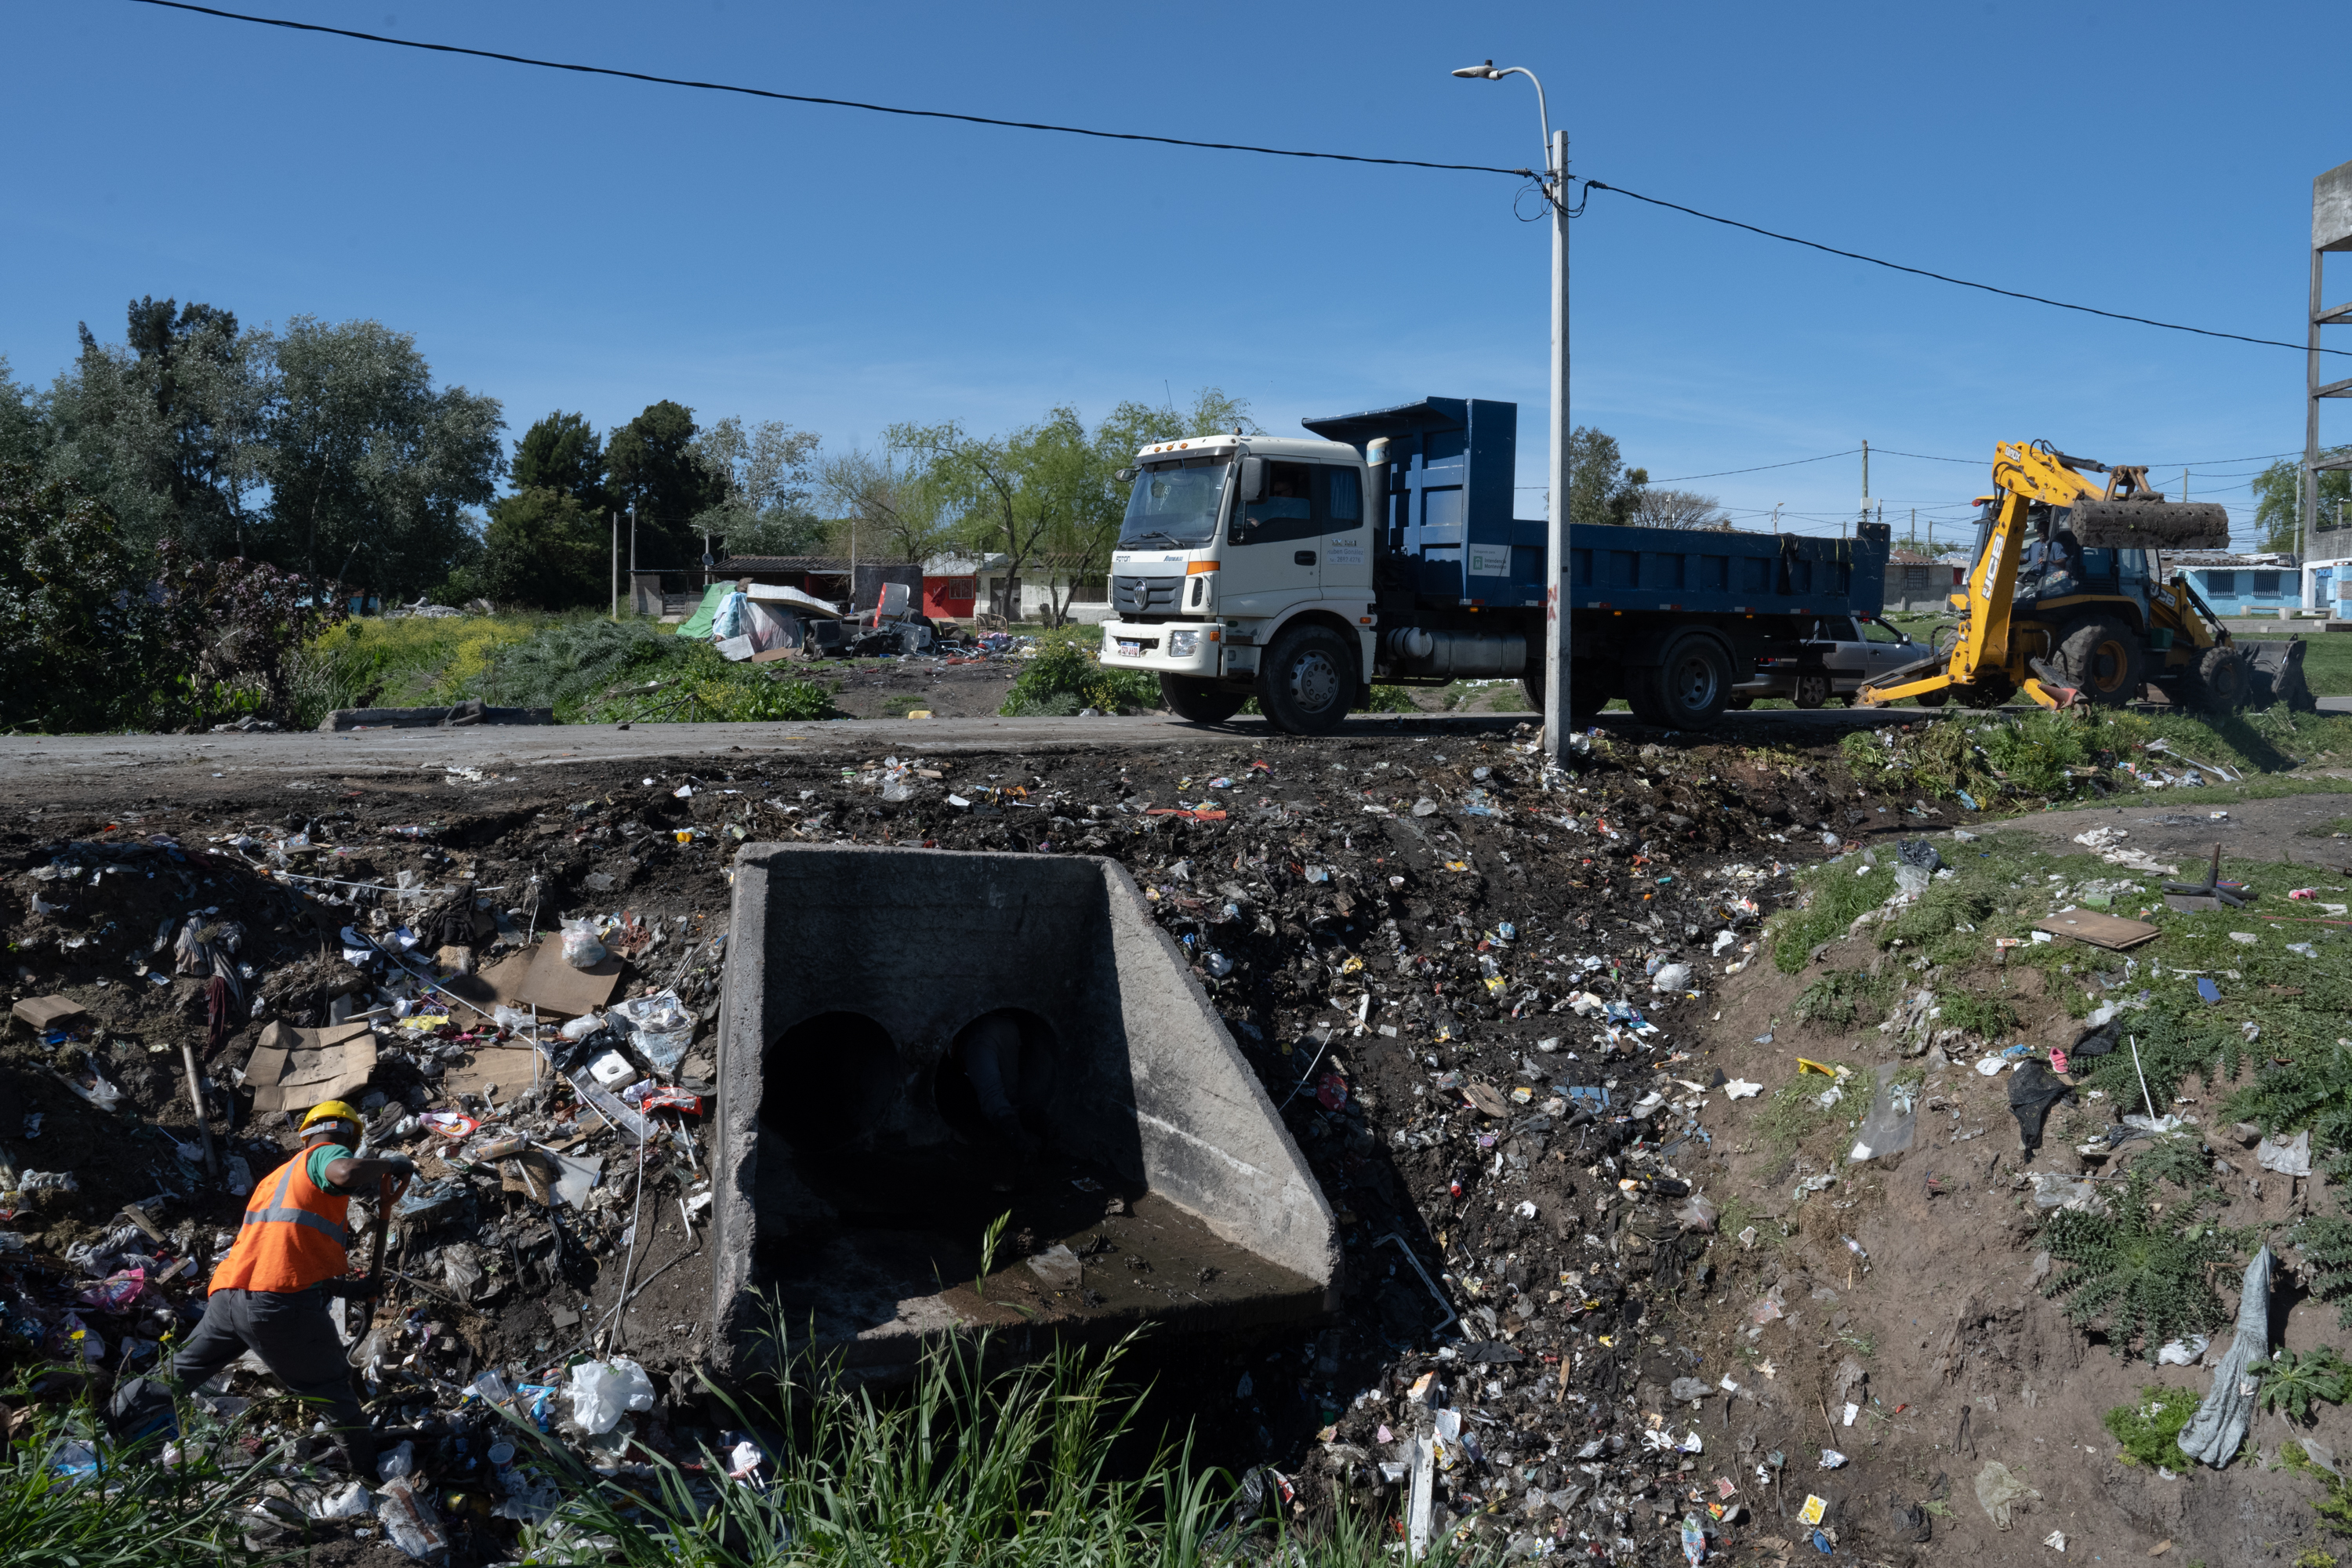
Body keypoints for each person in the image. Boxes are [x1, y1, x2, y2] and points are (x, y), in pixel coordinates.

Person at [167, 1099, 416, 1473]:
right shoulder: (324, 1156)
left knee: (177, 1373)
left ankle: (105, 1426)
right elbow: (346, 1172)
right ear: (348, 1135)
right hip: (276, 1305)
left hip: (229, 1297)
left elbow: (288, 1255)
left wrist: (352, 1291)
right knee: (333, 1391)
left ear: (305, 1135)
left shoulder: (276, 1179)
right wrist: (389, 1164)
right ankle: (369, 1478)